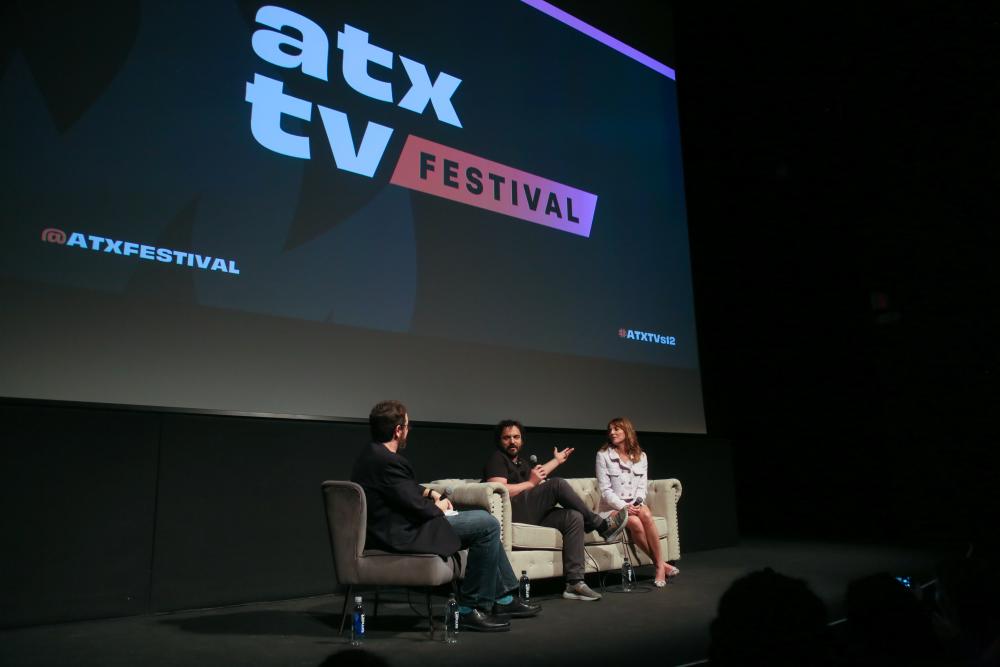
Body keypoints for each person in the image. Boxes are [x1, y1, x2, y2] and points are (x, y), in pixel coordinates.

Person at [351, 401, 539, 632]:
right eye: (408, 426)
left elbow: (403, 488)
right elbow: (415, 506)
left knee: (483, 523)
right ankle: (470, 608)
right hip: (405, 531)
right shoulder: (388, 460)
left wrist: (430, 492)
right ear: (398, 430)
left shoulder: (372, 455)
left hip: (399, 524)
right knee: (487, 523)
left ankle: (503, 600)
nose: (409, 431)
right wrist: (439, 507)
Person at [482, 419, 629, 601]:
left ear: (522, 440)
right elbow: (498, 489)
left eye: (516, 437)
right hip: (512, 513)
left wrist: (556, 461)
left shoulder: (521, 463)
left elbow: (538, 477)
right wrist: (530, 483)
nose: (512, 441)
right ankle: (600, 525)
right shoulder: (497, 458)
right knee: (557, 484)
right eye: (507, 438)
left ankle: (574, 583)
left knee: (573, 517)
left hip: (530, 513)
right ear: (499, 440)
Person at [595, 417, 679, 587]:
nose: (612, 432)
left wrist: (637, 503)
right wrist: (624, 507)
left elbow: (642, 486)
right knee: (634, 522)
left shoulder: (641, 456)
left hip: (634, 503)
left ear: (627, 431)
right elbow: (605, 491)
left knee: (646, 514)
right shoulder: (603, 455)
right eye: (610, 430)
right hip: (611, 507)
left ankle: (659, 566)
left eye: (616, 429)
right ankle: (660, 565)